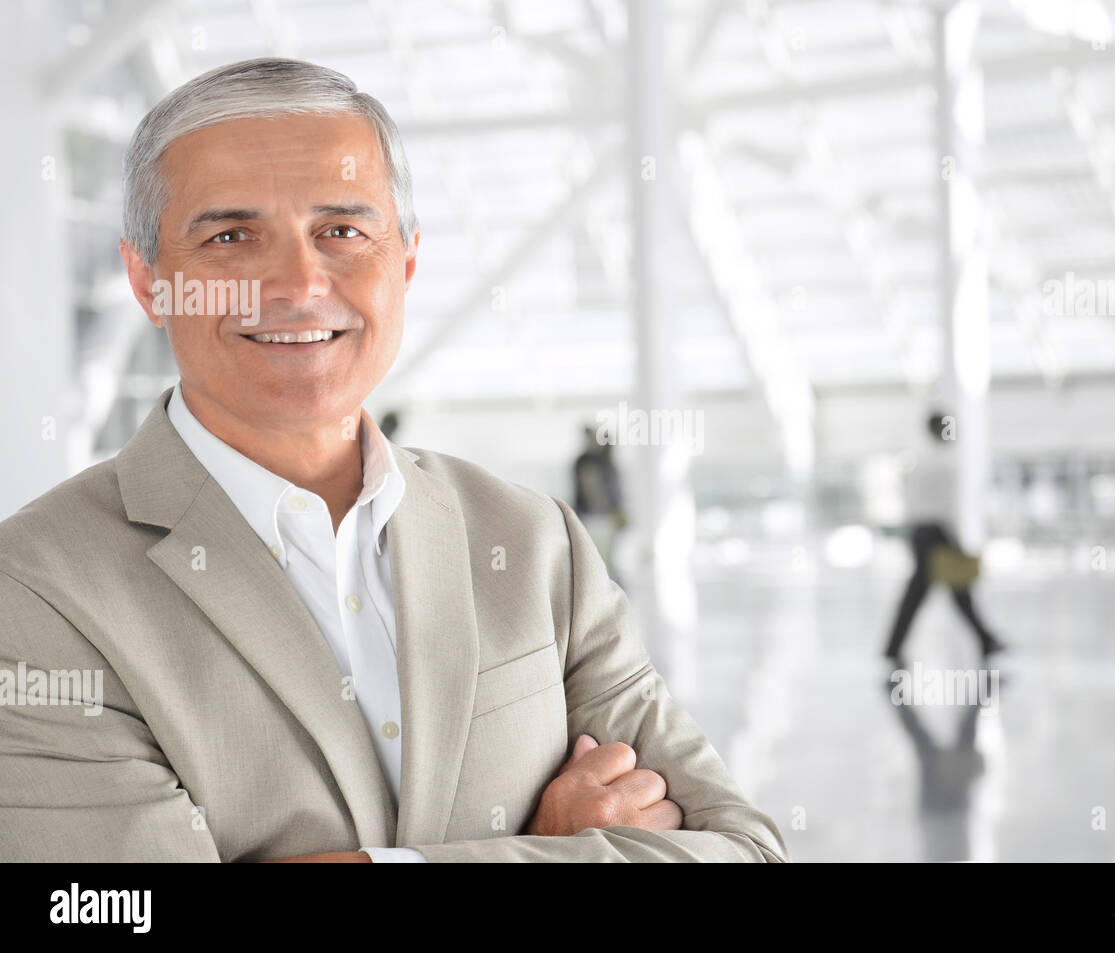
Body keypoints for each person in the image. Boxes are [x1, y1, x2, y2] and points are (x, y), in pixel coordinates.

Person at [0, 58, 785, 863]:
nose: (300, 285)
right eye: (231, 236)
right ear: (148, 280)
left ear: (405, 260)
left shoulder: (532, 540)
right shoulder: (33, 590)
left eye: (342, 231)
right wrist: (544, 848)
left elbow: (746, 851)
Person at [884, 412, 1005, 661]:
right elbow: (949, 508)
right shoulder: (945, 463)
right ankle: (986, 640)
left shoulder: (916, 461)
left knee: (943, 593)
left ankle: (986, 639)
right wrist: (957, 540)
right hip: (938, 534)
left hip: (918, 533)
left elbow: (909, 502)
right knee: (950, 591)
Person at [572, 425, 627, 579]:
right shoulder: (583, 462)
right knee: (593, 556)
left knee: (607, 558)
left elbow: (615, 493)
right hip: (589, 517)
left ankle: (608, 588)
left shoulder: (609, 466)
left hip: (606, 519)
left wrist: (619, 514)